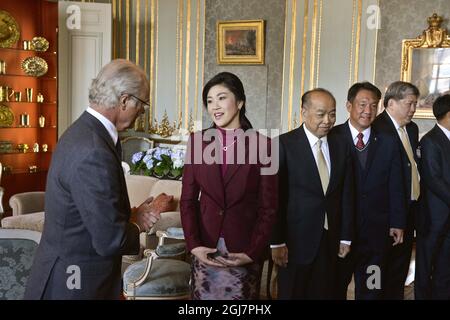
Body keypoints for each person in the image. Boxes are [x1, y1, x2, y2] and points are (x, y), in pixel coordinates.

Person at [24, 59, 160, 300]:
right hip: (74, 286)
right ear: (125, 100)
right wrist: (138, 223)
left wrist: (128, 215)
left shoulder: (83, 132)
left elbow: (88, 214)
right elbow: (110, 240)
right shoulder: (93, 149)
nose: (142, 111)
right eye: (142, 103)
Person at [180, 72, 278, 300]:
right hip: (206, 248)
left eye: (222, 98)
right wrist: (194, 245)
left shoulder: (265, 145)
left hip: (243, 249)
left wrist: (252, 252)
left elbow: (269, 207)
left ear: (240, 102)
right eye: (210, 101)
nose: (215, 106)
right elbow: (187, 200)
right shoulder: (197, 141)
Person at [271, 88, 354, 299]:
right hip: (294, 242)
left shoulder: (341, 145)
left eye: (332, 114)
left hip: (330, 240)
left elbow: (346, 193)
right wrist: (276, 242)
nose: (328, 120)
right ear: (303, 112)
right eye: (321, 114)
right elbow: (274, 199)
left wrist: (345, 236)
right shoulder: (282, 144)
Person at [332, 82, 406, 299]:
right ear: (349, 105)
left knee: (373, 288)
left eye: (374, 106)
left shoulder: (388, 141)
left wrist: (398, 221)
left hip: (376, 233)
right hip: (340, 233)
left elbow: (396, 183)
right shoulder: (333, 138)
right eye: (362, 104)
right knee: (335, 287)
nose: (368, 111)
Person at [372, 81, 420, 299]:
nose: (413, 109)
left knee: (399, 269)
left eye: (415, 104)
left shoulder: (411, 128)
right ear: (391, 103)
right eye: (409, 103)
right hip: (385, 214)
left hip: (409, 209)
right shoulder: (377, 128)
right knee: (379, 269)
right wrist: (394, 219)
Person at [415, 94, 450, 299]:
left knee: (445, 268)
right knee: (425, 267)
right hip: (433, 217)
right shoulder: (430, 141)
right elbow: (433, 179)